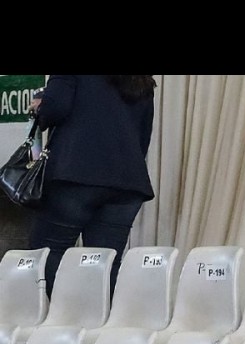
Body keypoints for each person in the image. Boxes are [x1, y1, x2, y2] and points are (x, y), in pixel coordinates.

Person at [27, 75, 157, 298]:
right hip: (126, 182)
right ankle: (101, 318)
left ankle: (53, 316)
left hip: (75, 175)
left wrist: (40, 106)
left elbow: (55, 108)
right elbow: (143, 135)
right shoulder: (141, 77)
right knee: (104, 263)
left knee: (47, 255)